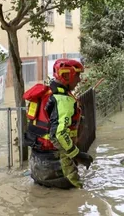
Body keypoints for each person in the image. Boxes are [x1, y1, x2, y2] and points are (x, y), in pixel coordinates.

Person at [23, 59, 93, 189]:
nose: (79, 80)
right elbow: (59, 134)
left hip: (36, 163)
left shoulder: (46, 94)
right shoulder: (63, 100)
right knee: (78, 195)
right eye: (77, 75)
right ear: (66, 75)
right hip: (56, 164)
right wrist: (77, 155)